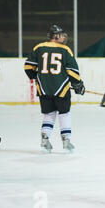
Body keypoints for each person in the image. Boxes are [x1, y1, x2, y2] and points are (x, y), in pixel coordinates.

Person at [24, 25, 85, 153]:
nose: (64, 37)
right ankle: (66, 140)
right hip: (61, 89)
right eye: (62, 34)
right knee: (64, 113)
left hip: (44, 89)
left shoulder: (38, 48)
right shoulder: (65, 50)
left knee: (49, 114)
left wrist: (40, 78)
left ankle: (45, 138)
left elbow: (28, 68)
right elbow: (72, 71)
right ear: (56, 36)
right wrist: (77, 84)